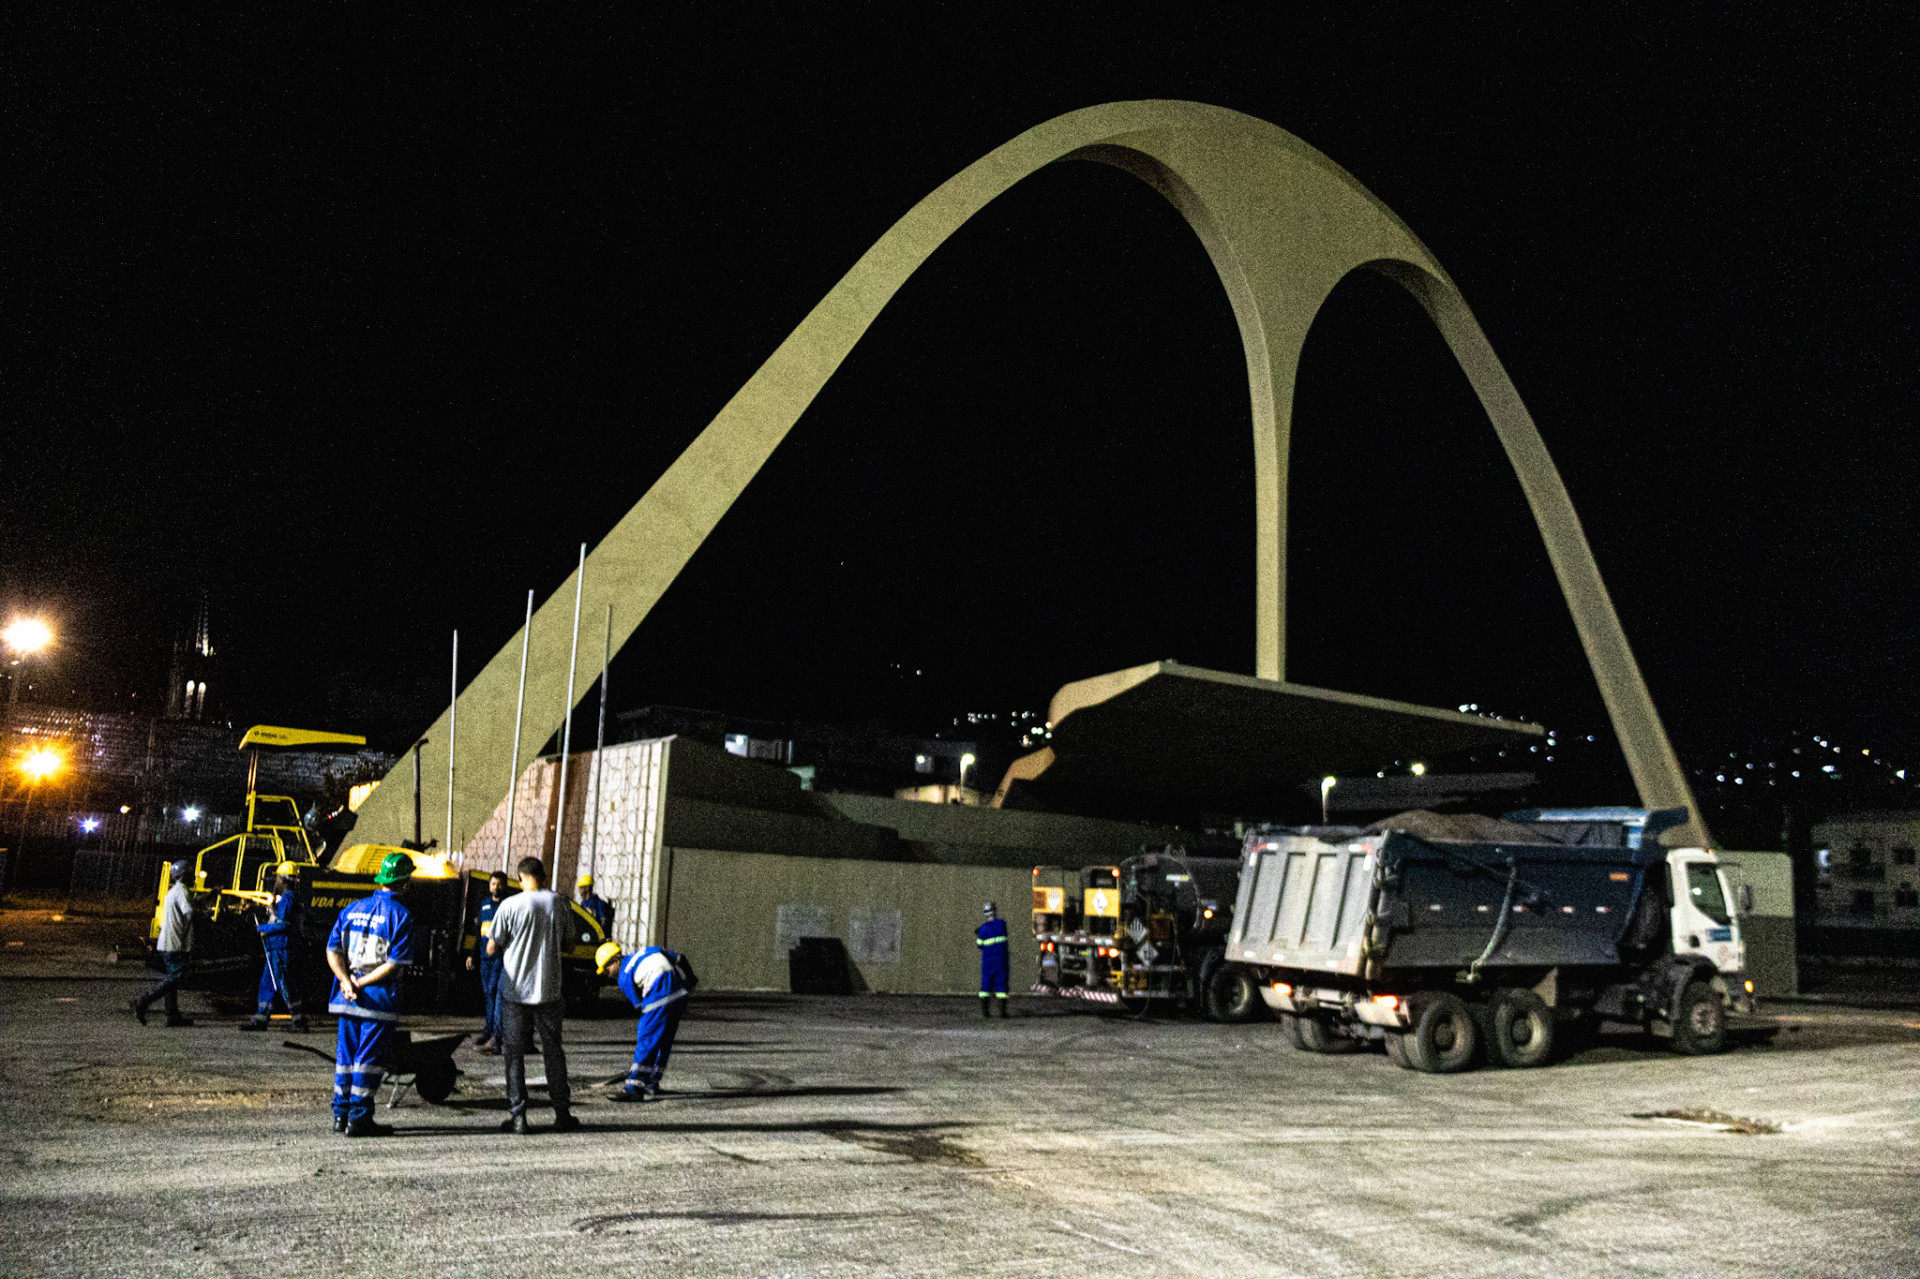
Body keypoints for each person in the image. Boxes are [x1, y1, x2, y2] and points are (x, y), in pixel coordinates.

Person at [324, 851, 416, 1138]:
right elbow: (393, 965)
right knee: (368, 1061)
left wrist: (346, 981)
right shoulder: (402, 916)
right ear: (405, 882)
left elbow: (332, 950)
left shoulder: (351, 909)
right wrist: (360, 984)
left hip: (346, 999)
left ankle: (341, 1115)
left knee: (346, 1059)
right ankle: (360, 1119)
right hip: (377, 1001)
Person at [487, 856, 579, 1135]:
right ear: (544, 875)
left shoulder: (509, 905)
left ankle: (518, 1117)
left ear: (520, 877)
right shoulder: (559, 903)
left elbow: (491, 947)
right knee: (554, 1052)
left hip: (515, 992)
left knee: (514, 1055)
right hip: (549, 990)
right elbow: (570, 947)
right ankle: (562, 1113)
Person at [598, 941, 695, 1102]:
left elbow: (640, 1005)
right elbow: (680, 958)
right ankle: (652, 1082)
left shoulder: (624, 976)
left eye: (607, 968)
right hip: (679, 994)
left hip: (659, 994)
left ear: (615, 960)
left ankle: (634, 1087)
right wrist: (690, 981)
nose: (607, 973)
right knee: (664, 1040)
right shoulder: (648, 950)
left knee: (647, 1038)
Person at [240, 865, 307, 1033]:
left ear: (283, 879)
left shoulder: (288, 899)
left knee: (286, 985)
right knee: (267, 984)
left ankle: (299, 1022)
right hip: (275, 947)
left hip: (281, 948)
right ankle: (261, 1019)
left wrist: (262, 929)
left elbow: (284, 924)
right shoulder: (287, 899)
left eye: (277, 877)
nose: (275, 880)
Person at [131, 860, 197, 1027]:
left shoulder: (173, 891)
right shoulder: (182, 891)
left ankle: (172, 1015)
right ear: (184, 875)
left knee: (171, 979)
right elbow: (188, 912)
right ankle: (144, 1001)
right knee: (175, 979)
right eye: (190, 874)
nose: (193, 877)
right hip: (175, 943)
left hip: (166, 941)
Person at [468, 871, 509, 1053]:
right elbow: (479, 933)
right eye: (493, 884)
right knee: (488, 994)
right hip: (485, 958)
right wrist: (472, 955)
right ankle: (488, 1030)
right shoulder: (484, 905)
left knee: (494, 991)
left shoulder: (508, 906)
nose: (496, 887)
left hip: (500, 957)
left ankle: (495, 1034)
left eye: (499, 884)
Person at [976, 901, 1009, 1018]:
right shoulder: (1002, 924)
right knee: (1001, 985)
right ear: (995, 911)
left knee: (986, 985)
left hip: (988, 961)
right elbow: (1002, 933)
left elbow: (979, 944)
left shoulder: (983, 929)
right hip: (1001, 960)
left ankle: (985, 1013)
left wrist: (979, 932)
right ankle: (1002, 1013)